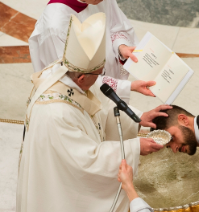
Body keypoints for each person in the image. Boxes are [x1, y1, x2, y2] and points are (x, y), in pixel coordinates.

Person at [17, 13, 170, 212]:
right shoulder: (55, 114)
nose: (101, 77)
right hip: (59, 184)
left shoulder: (66, 71)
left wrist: (138, 119)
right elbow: (86, 161)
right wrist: (134, 147)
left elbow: (103, 103)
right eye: (99, 73)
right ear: (81, 78)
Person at [29, 0, 154, 104]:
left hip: (106, 85)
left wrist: (121, 46)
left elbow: (116, 26)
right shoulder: (55, 25)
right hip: (78, 102)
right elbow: (71, 79)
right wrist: (127, 86)